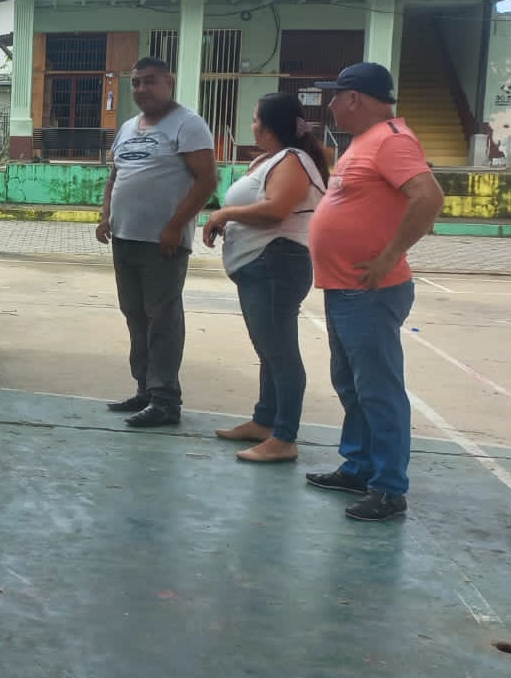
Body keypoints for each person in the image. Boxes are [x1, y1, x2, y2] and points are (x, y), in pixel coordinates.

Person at [305, 62, 444, 521]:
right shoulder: (365, 141)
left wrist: (390, 255)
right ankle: (359, 467)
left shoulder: (392, 140)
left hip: (370, 291)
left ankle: (388, 488)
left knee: (378, 389)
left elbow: (429, 196)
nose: (330, 104)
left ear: (354, 98)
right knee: (352, 384)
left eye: (335, 95)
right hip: (344, 288)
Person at [203, 92, 329, 462]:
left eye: (256, 118)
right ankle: (265, 421)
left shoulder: (293, 160)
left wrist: (225, 215)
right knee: (268, 351)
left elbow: (276, 210)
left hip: (277, 265)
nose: (252, 125)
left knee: (280, 353)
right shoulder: (273, 159)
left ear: (270, 125)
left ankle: (284, 437)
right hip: (260, 265)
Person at [97, 58, 218, 428]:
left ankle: (166, 400)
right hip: (125, 238)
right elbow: (115, 175)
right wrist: (105, 216)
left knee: (162, 319)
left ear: (169, 82)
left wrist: (175, 227)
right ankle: (145, 390)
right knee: (135, 315)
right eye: (136, 83)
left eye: (150, 81)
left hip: (162, 243)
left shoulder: (188, 124)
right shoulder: (128, 127)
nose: (141, 89)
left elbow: (206, 181)